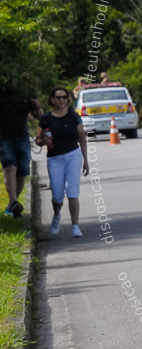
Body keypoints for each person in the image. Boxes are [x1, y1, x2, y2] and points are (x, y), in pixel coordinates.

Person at [36, 86, 89, 237]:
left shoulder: (74, 116)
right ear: (52, 99)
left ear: (67, 99)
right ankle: (57, 215)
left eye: (64, 97)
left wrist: (86, 160)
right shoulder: (46, 119)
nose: (61, 100)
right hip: (55, 159)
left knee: (73, 192)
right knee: (57, 195)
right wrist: (44, 140)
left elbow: (82, 138)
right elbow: (38, 140)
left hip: (73, 155)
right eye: (58, 97)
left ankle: (75, 226)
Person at [0, 79, 43, 218]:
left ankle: (12, 205)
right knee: (10, 167)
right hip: (3, 137)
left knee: (23, 171)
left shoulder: (28, 92)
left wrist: (37, 106)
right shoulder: (2, 90)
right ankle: (13, 201)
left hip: (22, 137)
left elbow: (40, 117)